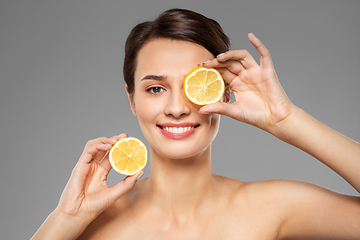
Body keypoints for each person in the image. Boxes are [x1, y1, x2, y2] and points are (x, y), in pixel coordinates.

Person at [32, 8, 360, 239]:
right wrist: (64, 219)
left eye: (194, 85)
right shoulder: (88, 224)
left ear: (223, 92)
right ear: (132, 100)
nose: (176, 108)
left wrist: (287, 120)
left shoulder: (271, 208)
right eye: (156, 89)